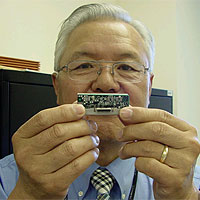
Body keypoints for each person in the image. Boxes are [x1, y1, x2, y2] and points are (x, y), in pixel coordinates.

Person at [0, 3, 200, 200]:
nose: (106, 83)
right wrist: (29, 195)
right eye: (84, 65)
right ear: (57, 86)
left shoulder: (188, 183)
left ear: (149, 87)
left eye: (127, 67)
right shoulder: (7, 181)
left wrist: (185, 196)